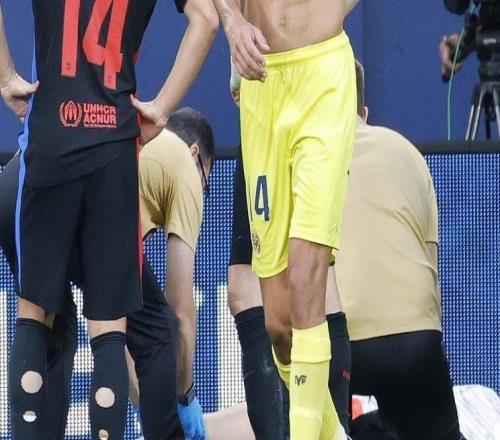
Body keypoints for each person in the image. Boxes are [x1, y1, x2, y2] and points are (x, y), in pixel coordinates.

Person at [0, 0, 217, 438]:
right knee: (109, 329)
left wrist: (6, 77)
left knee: (36, 315)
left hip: (50, 141)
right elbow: (208, 19)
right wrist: (161, 108)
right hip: (115, 149)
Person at [212, 1, 360, 439]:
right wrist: (233, 22)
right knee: (278, 324)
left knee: (305, 277)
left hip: (323, 77)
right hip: (263, 86)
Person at [335, 60, 462, 440]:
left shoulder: (305, 158)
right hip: (416, 340)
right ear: (364, 113)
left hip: (340, 343)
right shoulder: (408, 153)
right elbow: (432, 278)